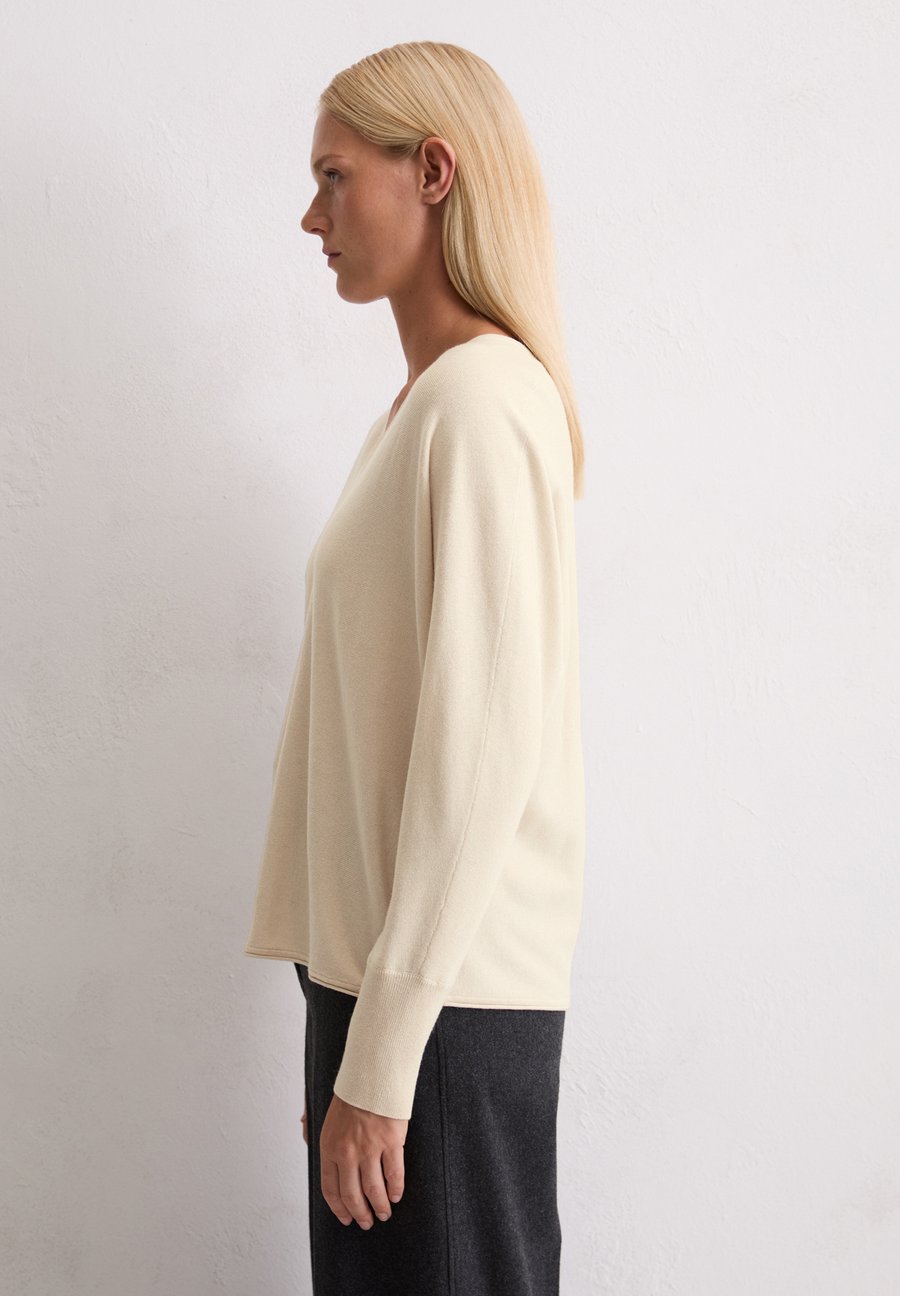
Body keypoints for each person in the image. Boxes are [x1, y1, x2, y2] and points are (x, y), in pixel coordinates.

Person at [243, 39, 586, 1296]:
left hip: (442, 1010)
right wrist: (345, 1036)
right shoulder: (420, 411)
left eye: (334, 177)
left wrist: (383, 1055)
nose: (312, 216)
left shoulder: (481, 404)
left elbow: (480, 751)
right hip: (394, 997)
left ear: (433, 172)